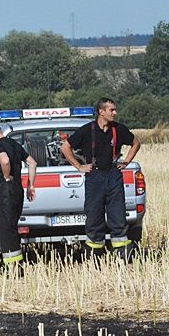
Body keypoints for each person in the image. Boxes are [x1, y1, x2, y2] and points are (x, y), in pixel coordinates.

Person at [60, 97, 141, 252]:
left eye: (114, 109)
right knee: (94, 215)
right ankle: (95, 254)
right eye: (111, 110)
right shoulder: (87, 130)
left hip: (113, 175)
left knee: (118, 215)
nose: (115, 113)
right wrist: (79, 166)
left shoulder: (119, 129)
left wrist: (126, 162)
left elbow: (136, 143)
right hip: (95, 176)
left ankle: (122, 252)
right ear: (101, 112)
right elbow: (65, 147)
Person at [0, 122, 37, 267]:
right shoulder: (15, 144)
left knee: (4, 227)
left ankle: (13, 266)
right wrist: (30, 185)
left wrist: (6, 176)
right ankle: (14, 263)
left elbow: (4, 160)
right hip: (18, 189)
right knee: (8, 225)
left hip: (6, 189)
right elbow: (32, 163)